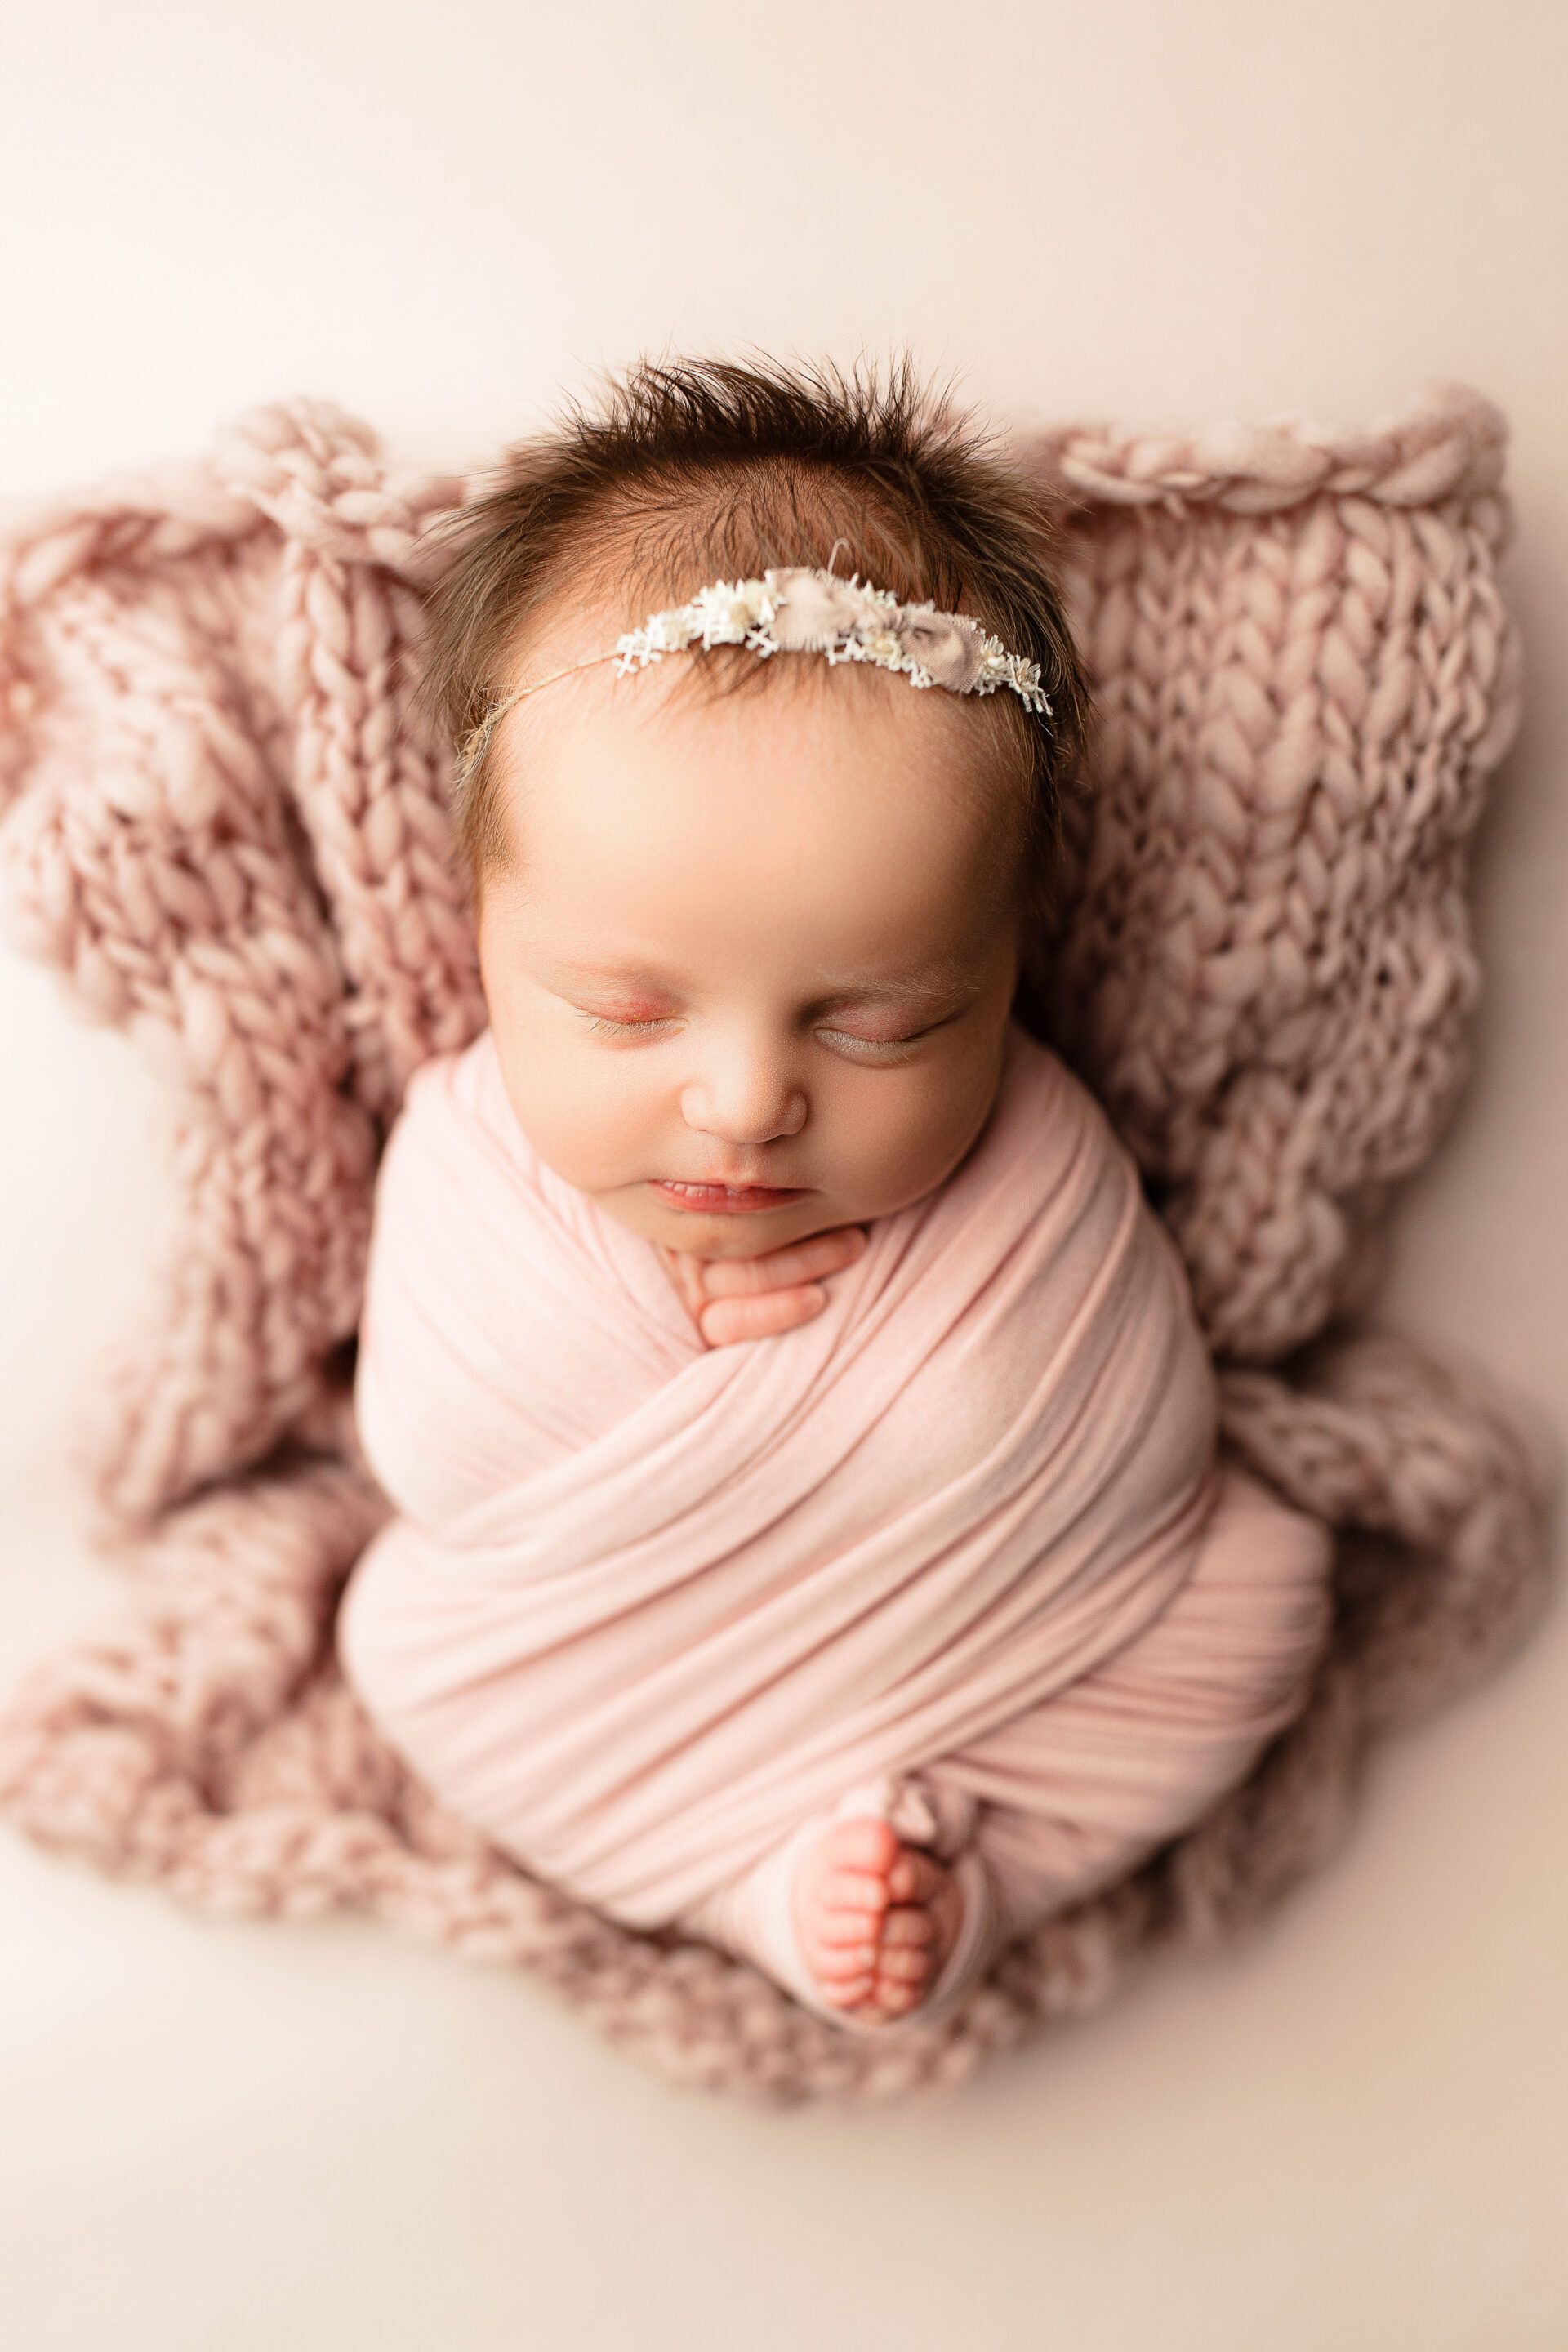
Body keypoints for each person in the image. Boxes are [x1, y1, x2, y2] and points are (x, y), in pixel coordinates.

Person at [336, 355, 1334, 2034]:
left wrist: (834, 1396)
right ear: (485, 934)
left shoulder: (1033, 1155)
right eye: (630, 1010)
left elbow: (1132, 1436)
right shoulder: (469, 1149)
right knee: (403, 1652)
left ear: (1007, 970)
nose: (745, 1104)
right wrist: (638, 1334)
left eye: (884, 1023)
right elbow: (436, 1446)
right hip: (603, 1671)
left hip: (1017, 1643)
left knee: (1261, 1599)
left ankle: (977, 1862)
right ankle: (751, 1885)